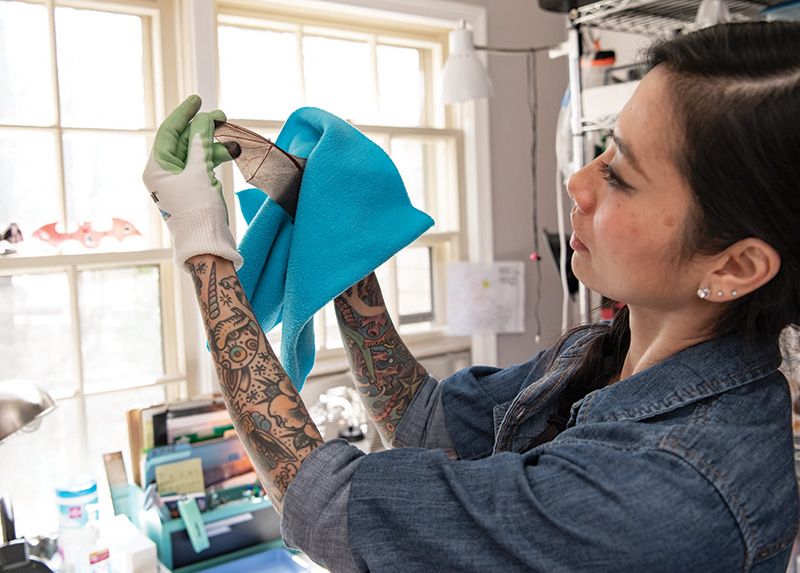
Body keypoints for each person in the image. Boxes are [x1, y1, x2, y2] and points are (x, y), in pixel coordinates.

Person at [142, 21, 800, 573]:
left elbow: (323, 501)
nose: (579, 181)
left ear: (737, 264)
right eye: (603, 148)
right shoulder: (605, 353)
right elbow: (421, 418)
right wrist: (329, 226)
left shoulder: (661, 491)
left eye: (622, 175)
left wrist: (204, 242)